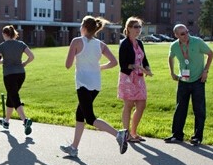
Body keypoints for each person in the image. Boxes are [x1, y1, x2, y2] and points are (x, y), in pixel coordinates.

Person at [60, 16, 129, 157]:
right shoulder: (101, 44)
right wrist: (99, 67)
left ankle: (119, 135)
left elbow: (67, 65)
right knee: (80, 114)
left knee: (90, 118)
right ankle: (74, 147)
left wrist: (75, 54)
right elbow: (114, 62)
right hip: (95, 85)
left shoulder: (76, 41)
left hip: (83, 84)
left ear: (84, 27)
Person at [165, 24, 213, 146]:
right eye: (182, 34)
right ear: (176, 35)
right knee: (180, 108)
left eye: (186, 32)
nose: (186, 35)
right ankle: (177, 135)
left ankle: (197, 137)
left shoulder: (197, 42)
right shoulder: (175, 46)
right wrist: (172, 72)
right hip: (183, 81)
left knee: (199, 110)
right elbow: (170, 57)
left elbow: (210, 53)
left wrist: (205, 71)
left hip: (198, 80)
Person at [0, 25, 35, 135]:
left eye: (2, 34)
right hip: (21, 74)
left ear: (5, 34)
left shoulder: (2, 46)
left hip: (9, 75)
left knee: (14, 97)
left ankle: (25, 120)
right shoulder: (21, 44)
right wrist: (24, 63)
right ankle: (6, 121)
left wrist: (4, 60)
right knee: (11, 95)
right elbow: (31, 56)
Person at [117, 17, 152, 142]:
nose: (138, 29)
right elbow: (123, 64)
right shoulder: (124, 44)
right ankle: (127, 135)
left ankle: (134, 132)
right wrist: (136, 66)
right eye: (136, 27)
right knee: (129, 105)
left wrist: (148, 68)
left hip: (139, 79)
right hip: (128, 78)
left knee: (142, 104)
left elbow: (144, 59)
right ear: (129, 28)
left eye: (139, 27)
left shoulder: (140, 43)